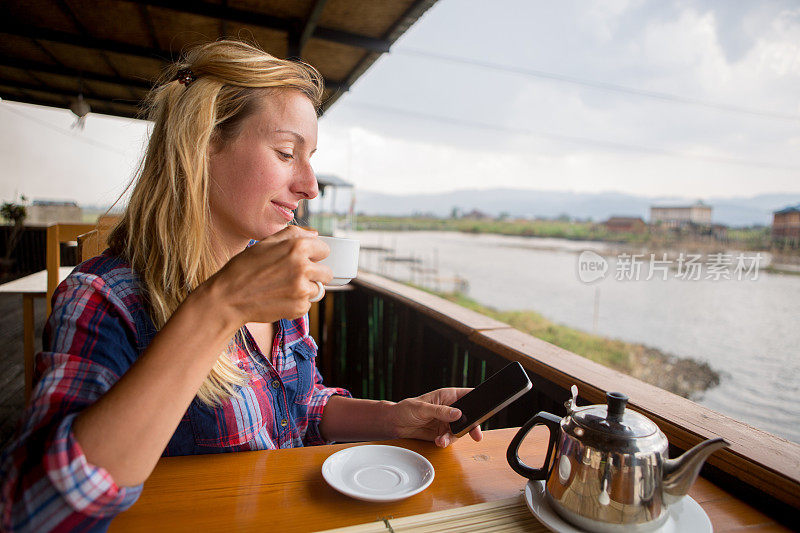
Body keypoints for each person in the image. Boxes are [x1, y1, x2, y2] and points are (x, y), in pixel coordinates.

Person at [0, 40, 482, 532]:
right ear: (204, 141)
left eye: (310, 157)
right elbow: (35, 510)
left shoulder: (278, 279)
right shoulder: (106, 298)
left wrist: (393, 418)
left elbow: (300, 405)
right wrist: (220, 306)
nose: (310, 184)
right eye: (286, 152)